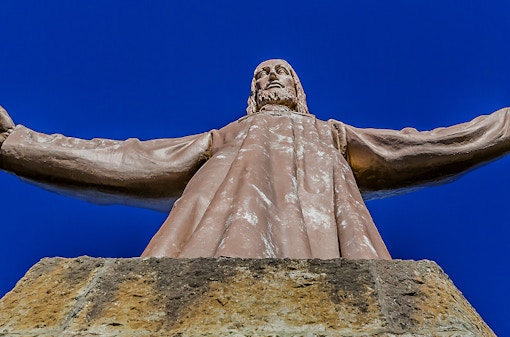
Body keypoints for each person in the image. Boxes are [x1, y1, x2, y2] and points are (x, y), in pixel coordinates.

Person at [1, 59, 509, 259]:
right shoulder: (226, 137)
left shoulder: (331, 135)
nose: (269, 79)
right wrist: (18, 142)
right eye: (261, 76)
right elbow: (131, 160)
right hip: (217, 245)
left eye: (279, 74)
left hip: (330, 248)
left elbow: (423, 147)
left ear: (298, 88)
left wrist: (502, 126)